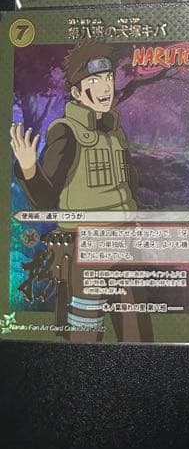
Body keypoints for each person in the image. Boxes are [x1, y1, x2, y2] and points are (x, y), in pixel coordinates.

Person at [9, 43, 153, 342]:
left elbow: (130, 182)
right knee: (84, 331)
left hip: (126, 240)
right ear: (76, 92)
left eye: (109, 78)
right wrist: (28, 168)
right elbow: (45, 199)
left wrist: (135, 218)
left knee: (137, 330)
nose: (106, 87)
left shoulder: (115, 132)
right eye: (94, 80)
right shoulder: (65, 131)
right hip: (86, 245)